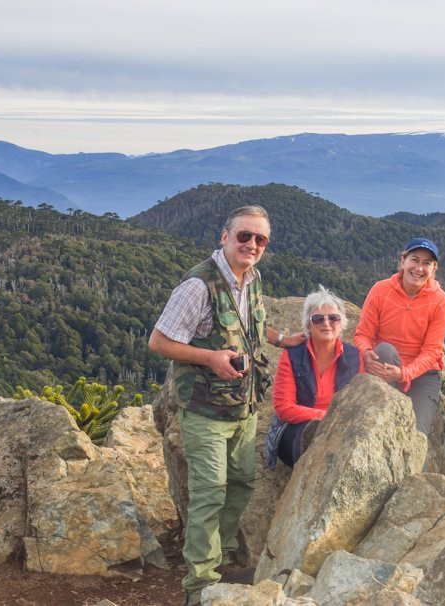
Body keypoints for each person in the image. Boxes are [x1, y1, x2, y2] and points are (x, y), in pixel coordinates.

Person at [148, 205, 305, 606]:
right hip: (204, 410)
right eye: (244, 236)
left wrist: (281, 339)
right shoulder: (199, 286)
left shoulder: (251, 278)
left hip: (243, 407)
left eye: (260, 239)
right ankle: (199, 588)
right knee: (210, 493)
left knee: (240, 486)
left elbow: (251, 324)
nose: (252, 244)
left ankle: (217, 559)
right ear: (225, 236)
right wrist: (211, 358)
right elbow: (159, 342)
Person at [354, 237, 445, 434]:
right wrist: (365, 352)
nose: (419, 268)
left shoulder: (440, 300)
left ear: (434, 269)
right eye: (414, 260)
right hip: (387, 362)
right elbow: (363, 334)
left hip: (423, 374)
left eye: (427, 263)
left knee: (415, 434)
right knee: (384, 350)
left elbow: (432, 351)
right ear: (403, 261)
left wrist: (404, 374)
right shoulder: (381, 290)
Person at [265, 286, 360, 469]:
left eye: (333, 318)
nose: (326, 323)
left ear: (342, 323)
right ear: (308, 325)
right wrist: (324, 417)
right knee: (309, 434)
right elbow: (284, 408)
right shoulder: (292, 355)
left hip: (340, 426)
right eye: (318, 319)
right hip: (298, 428)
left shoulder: (355, 357)